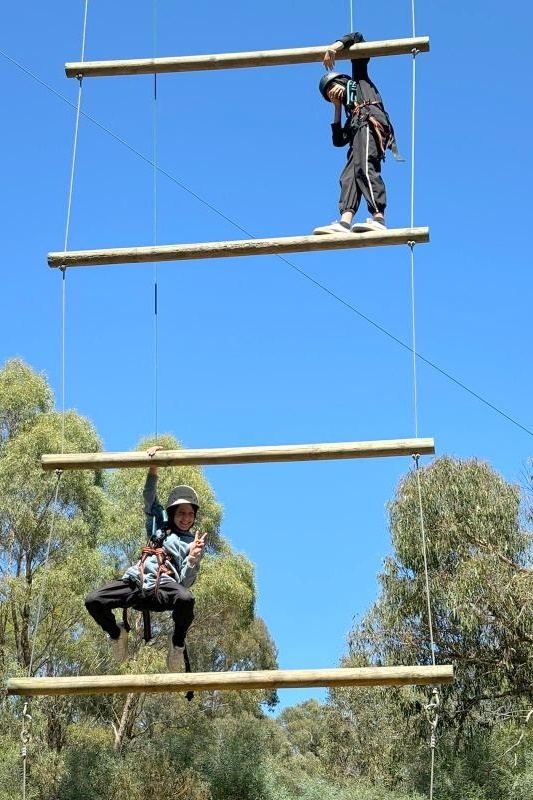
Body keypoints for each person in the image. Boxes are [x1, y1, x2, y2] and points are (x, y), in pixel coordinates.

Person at [85, 447, 207, 672]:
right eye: (181, 513)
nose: (186, 518)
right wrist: (153, 466)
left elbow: (184, 585)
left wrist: (192, 559)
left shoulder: (193, 543)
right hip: (137, 583)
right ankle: (116, 634)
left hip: (163, 587)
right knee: (93, 600)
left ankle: (177, 644)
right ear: (172, 513)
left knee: (187, 599)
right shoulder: (160, 526)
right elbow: (149, 497)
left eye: (190, 514)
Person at [313, 31, 402, 236]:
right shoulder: (350, 112)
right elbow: (339, 140)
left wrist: (335, 47)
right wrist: (336, 107)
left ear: (343, 81)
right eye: (329, 94)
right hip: (359, 129)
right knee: (348, 176)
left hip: (370, 123)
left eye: (333, 87)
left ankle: (378, 216)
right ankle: (345, 222)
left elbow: (358, 37)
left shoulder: (360, 83)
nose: (333, 93)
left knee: (364, 165)